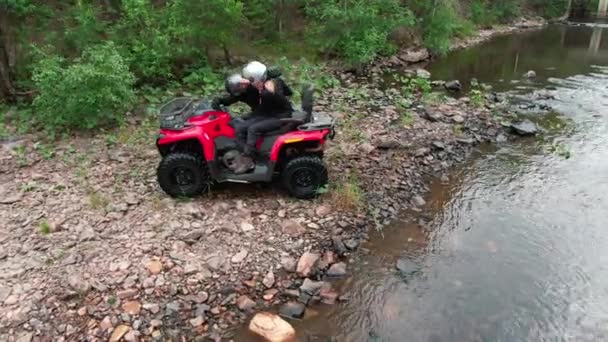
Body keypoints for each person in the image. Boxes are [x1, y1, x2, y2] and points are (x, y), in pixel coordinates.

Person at [212, 61, 294, 174]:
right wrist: (221, 101)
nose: (247, 82)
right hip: (266, 112)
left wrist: (271, 90)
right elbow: (237, 96)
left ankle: (249, 158)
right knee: (240, 127)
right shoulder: (255, 86)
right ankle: (246, 153)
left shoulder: (271, 86)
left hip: (279, 115)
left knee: (253, 129)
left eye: (249, 79)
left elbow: (285, 96)